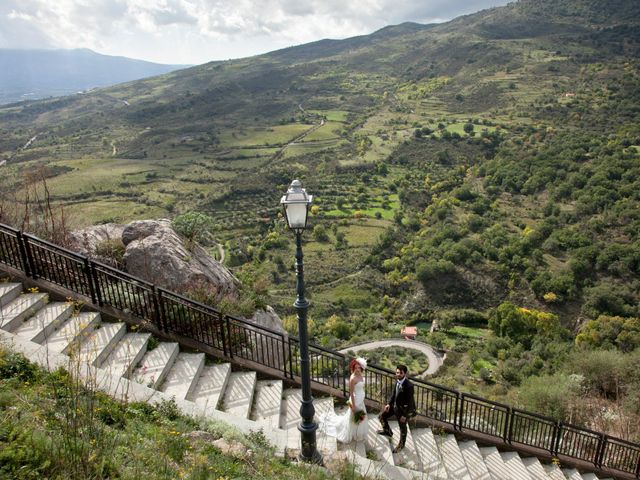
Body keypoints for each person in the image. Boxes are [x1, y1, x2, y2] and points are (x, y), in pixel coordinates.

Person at [319, 357, 368, 443]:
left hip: (361, 399)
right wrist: (353, 405)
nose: (357, 369)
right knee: (354, 418)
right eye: (355, 368)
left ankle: (357, 434)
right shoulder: (353, 378)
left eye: (358, 367)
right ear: (353, 368)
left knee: (361, 417)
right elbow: (351, 393)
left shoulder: (361, 375)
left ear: (361, 368)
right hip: (355, 401)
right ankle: (353, 434)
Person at [378, 364, 416, 453]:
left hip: (403, 411)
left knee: (402, 428)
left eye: (400, 373)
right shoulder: (397, 381)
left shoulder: (409, 386)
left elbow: (410, 403)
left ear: (405, 374)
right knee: (382, 416)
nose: (398, 374)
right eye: (397, 372)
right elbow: (394, 394)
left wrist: (405, 416)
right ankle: (388, 431)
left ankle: (401, 445)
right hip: (394, 407)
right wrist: (388, 404)